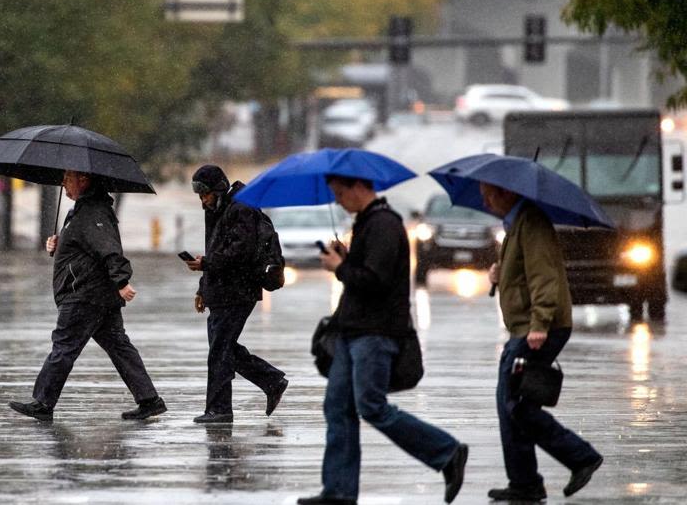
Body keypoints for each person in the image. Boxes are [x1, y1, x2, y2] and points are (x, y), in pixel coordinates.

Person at [299, 174, 468, 505]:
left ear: (360, 187)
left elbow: (375, 281)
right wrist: (347, 258)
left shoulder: (384, 225)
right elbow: (367, 271)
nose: (338, 201)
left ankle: (447, 452)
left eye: (340, 193)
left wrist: (340, 268)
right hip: (353, 331)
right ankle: (338, 492)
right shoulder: (368, 223)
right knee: (337, 407)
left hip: (374, 334)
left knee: (372, 406)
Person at [9, 170, 167, 422]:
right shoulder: (83, 211)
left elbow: (109, 249)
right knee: (119, 347)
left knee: (64, 346)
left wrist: (122, 281)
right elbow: (85, 248)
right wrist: (58, 244)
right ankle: (149, 400)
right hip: (95, 295)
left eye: (67, 179)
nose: (64, 184)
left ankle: (43, 402)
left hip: (85, 294)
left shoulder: (93, 212)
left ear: (83, 180)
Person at [480, 182, 603, 502]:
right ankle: (524, 483)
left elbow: (543, 276)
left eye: (488, 192)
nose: (485, 199)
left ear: (506, 192)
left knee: (516, 405)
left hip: (537, 328)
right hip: (524, 327)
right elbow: (523, 273)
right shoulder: (516, 225)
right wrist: (500, 273)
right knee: (510, 405)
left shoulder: (531, 223)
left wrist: (540, 324)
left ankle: (580, 457)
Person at [184, 165, 288, 424]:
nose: (202, 200)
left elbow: (240, 252)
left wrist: (206, 264)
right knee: (223, 348)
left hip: (238, 291)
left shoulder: (241, 208)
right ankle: (271, 380)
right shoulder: (218, 209)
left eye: (205, 194)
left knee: (220, 349)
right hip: (220, 290)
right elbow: (216, 250)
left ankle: (220, 409)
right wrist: (202, 288)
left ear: (218, 189)